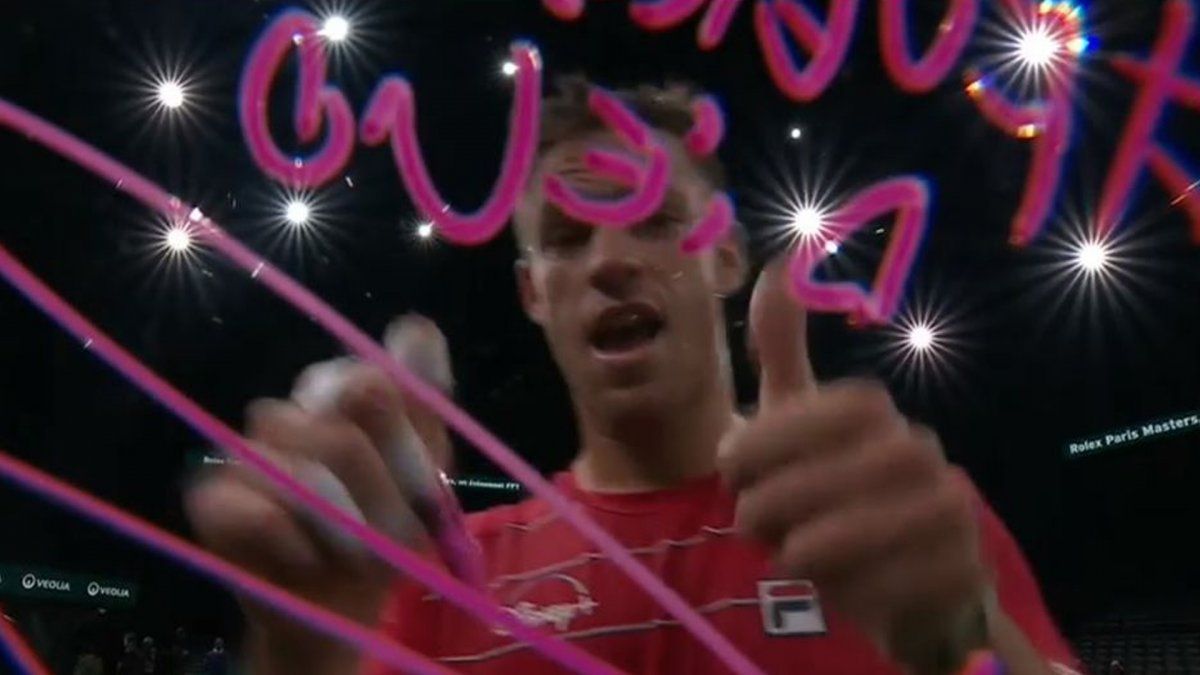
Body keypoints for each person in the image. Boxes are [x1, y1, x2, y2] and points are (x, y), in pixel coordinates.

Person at [186, 78, 1081, 674]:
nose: (611, 260)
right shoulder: (445, 581)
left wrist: (968, 641)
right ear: (533, 293)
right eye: (569, 238)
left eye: (652, 220)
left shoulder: (897, 519)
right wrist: (301, 648)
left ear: (726, 256)